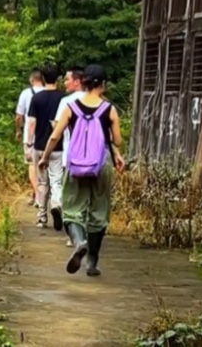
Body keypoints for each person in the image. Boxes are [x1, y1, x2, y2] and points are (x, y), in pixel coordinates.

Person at [40, 63, 124, 278]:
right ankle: (92, 262)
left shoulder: (71, 106)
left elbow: (55, 136)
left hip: (75, 164)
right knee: (99, 212)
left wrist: (45, 157)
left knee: (71, 209)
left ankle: (79, 241)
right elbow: (117, 140)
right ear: (103, 85)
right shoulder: (109, 109)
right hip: (100, 164)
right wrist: (116, 152)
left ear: (83, 82)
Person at [25, 64, 66, 229]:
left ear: (42, 79)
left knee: (42, 182)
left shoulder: (37, 98)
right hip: (58, 146)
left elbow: (32, 123)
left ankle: (42, 216)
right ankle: (56, 203)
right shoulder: (64, 98)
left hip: (40, 145)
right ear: (58, 79)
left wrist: (29, 143)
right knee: (56, 180)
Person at [52, 67, 84, 243]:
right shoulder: (97, 101)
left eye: (67, 80)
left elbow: (57, 128)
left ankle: (74, 237)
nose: (65, 83)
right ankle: (86, 233)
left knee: (70, 198)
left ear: (77, 81)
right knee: (86, 197)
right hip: (94, 158)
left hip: (71, 157)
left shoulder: (67, 102)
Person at [15, 69, 46, 204]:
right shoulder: (48, 92)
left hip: (31, 135)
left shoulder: (26, 93)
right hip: (47, 135)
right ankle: (35, 195)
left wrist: (18, 129)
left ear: (32, 80)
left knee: (31, 166)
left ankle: (39, 195)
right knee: (43, 165)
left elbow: (19, 116)